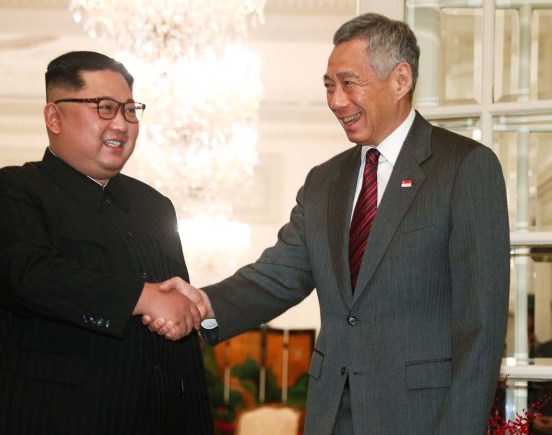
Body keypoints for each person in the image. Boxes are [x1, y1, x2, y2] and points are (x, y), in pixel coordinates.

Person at [147, 13, 510, 435]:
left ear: (400, 79)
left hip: (419, 418)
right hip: (329, 415)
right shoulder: (324, 181)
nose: (336, 101)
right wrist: (202, 305)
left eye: (349, 82)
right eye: (328, 85)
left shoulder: (464, 167)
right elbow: (278, 276)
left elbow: (481, 327)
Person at [0, 51, 213, 435]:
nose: (121, 123)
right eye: (104, 108)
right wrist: (143, 297)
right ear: (54, 117)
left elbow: (175, 318)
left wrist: (188, 310)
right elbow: (28, 278)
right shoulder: (9, 191)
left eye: (130, 110)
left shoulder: (155, 206)